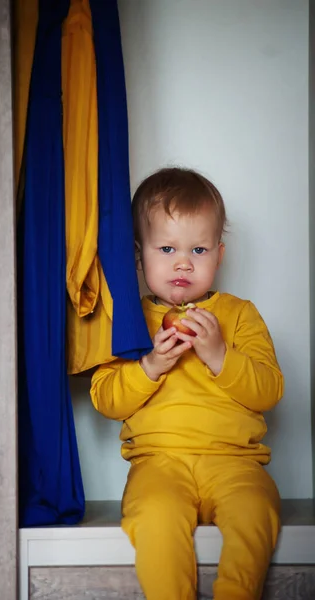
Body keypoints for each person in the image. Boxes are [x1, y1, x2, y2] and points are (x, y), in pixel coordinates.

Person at [90, 167, 284, 600]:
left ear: (219, 254)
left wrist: (218, 355)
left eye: (198, 248)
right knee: (154, 517)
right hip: (159, 463)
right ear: (140, 258)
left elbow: (270, 390)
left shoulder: (238, 315)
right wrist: (153, 364)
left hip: (235, 463)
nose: (183, 262)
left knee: (256, 513)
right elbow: (105, 398)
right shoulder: (130, 320)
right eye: (166, 248)